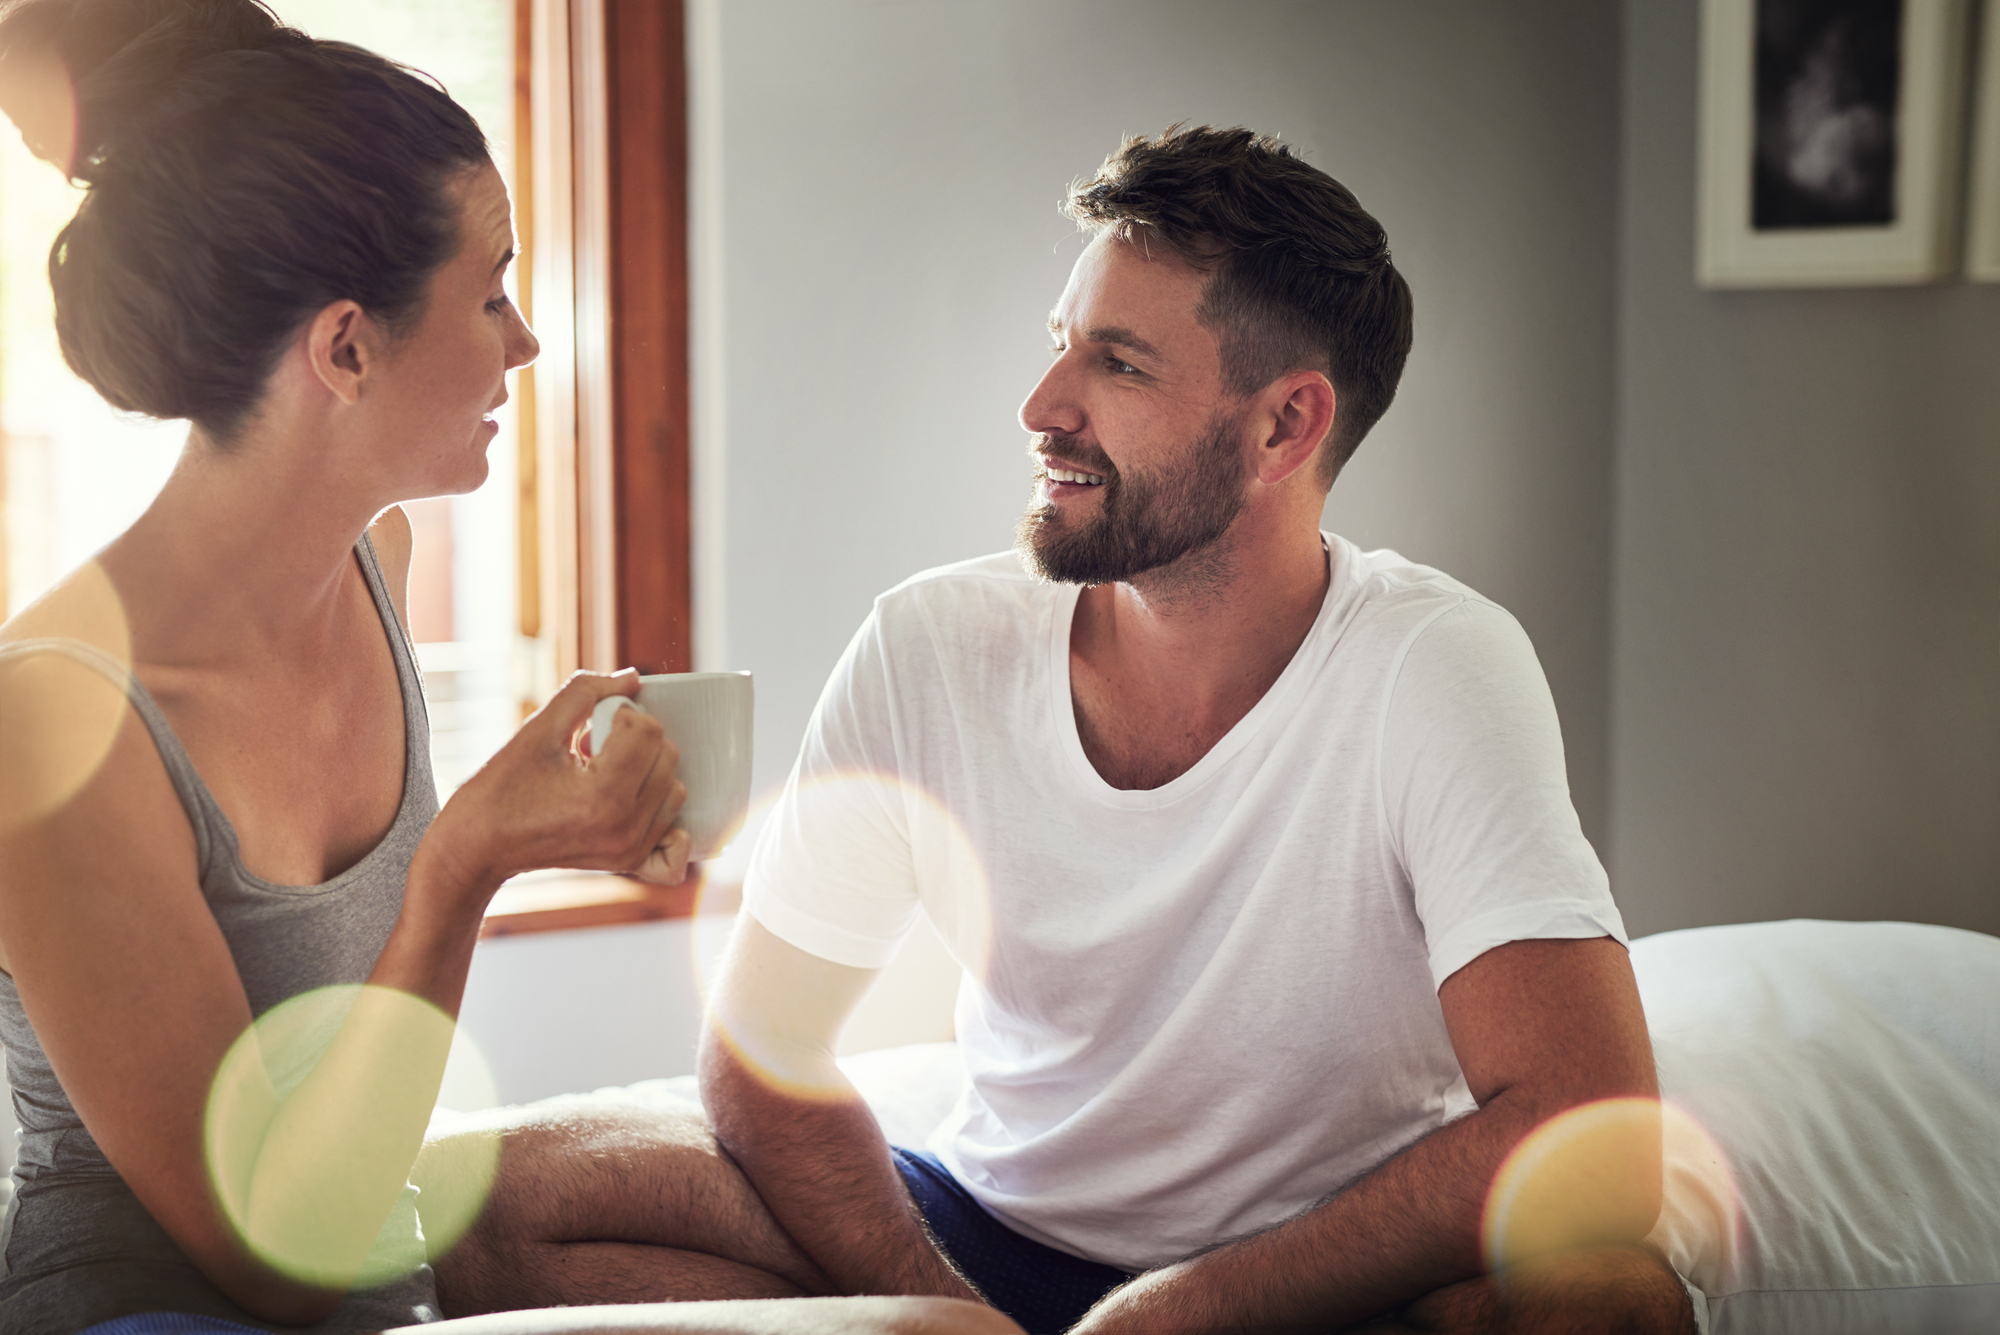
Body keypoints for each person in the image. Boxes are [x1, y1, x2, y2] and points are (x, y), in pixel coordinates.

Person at [0, 4, 1010, 1335]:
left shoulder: (379, 559)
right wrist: (472, 857)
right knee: (929, 1333)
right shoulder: (50, 714)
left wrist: (559, 822)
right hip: (175, 1310)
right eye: (491, 294)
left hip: (370, 1254)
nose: (527, 341)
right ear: (346, 347)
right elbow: (274, 1257)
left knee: (819, 1235)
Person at [682, 126, 1696, 1333]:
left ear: (1283, 428)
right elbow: (754, 1055)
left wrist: (1179, 1311)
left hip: (1309, 1277)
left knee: (1608, 1301)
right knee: (546, 1188)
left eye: (1116, 364)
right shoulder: (928, 643)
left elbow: (1589, 1130)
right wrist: (943, 1316)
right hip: (982, 1240)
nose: (1041, 406)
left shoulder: (1432, 666)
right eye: (1061, 345)